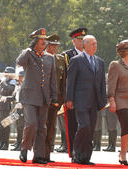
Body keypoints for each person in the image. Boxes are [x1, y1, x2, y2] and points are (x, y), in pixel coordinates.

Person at [16, 28, 58, 164]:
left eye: (45, 40)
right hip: (29, 97)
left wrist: (55, 97)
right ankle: (25, 148)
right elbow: (19, 61)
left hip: (44, 98)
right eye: (42, 40)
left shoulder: (49, 58)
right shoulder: (28, 54)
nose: (45, 42)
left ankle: (38, 156)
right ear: (35, 42)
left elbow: (53, 80)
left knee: (42, 128)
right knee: (31, 123)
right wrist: (28, 50)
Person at [65, 35, 106, 165]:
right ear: (85, 45)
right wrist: (69, 99)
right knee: (84, 126)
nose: (95, 46)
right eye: (92, 44)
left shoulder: (100, 62)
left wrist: (103, 100)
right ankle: (76, 154)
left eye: (96, 43)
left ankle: (86, 157)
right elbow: (70, 81)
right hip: (80, 101)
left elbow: (102, 83)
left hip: (94, 102)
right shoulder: (76, 60)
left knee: (91, 129)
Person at [61, 27, 87, 157]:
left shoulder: (90, 55)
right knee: (72, 125)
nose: (82, 42)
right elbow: (65, 78)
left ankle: (84, 152)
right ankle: (74, 153)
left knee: (86, 126)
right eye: (80, 39)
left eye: (84, 39)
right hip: (73, 96)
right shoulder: (67, 55)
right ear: (74, 41)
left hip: (86, 97)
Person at [44, 34, 67, 162]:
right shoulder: (41, 58)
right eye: (52, 45)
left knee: (52, 127)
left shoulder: (61, 60)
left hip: (56, 99)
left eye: (56, 46)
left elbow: (63, 81)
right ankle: (40, 153)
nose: (54, 48)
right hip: (43, 98)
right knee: (42, 126)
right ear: (47, 45)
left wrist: (62, 99)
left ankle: (47, 154)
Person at [0, 67, 16, 150]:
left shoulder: (12, 82)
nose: (5, 74)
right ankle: (1, 142)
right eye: (4, 72)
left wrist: (3, 82)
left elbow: (9, 90)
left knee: (6, 125)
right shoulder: (2, 82)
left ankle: (5, 144)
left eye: (7, 72)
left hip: (6, 107)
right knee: (0, 126)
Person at [6, 70, 25, 151]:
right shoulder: (18, 86)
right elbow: (14, 97)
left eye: (21, 76)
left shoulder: (26, 86)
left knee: (21, 127)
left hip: (23, 108)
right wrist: (6, 98)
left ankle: (21, 145)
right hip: (17, 107)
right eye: (19, 76)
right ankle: (18, 143)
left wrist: (22, 104)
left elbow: (28, 98)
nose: (20, 78)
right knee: (18, 127)